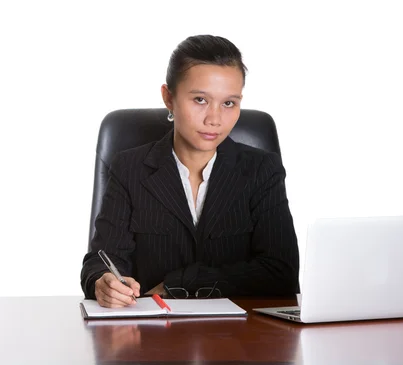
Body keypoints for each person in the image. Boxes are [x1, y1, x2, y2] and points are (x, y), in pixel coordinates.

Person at [81, 35, 299, 308]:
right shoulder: (130, 168)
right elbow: (101, 259)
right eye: (200, 99)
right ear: (168, 98)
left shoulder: (261, 171)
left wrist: (182, 283)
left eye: (229, 103)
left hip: (240, 338)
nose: (214, 119)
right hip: (151, 336)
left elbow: (281, 273)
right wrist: (102, 281)